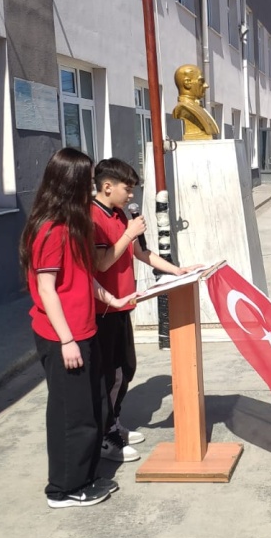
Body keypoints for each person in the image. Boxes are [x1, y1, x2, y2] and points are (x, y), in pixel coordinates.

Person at [20, 147, 134, 509]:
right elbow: (46, 288)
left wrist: (109, 299)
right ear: (68, 183)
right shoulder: (51, 229)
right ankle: (64, 489)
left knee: (90, 408)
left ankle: (83, 476)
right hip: (62, 336)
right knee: (72, 415)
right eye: (85, 181)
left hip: (84, 329)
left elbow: (83, 274)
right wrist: (67, 340)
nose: (91, 187)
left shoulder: (74, 224)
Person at [90, 158, 201, 463]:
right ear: (107, 186)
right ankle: (104, 435)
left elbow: (140, 252)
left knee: (125, 370)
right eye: (127, 189)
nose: (130, 196)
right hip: (103, 308)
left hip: (124, 304)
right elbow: (101, 263)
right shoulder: (93, 217)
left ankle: (113, 422)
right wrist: (128, 232)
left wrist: (177, 271)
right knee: (108, 374)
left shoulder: (119, 214)